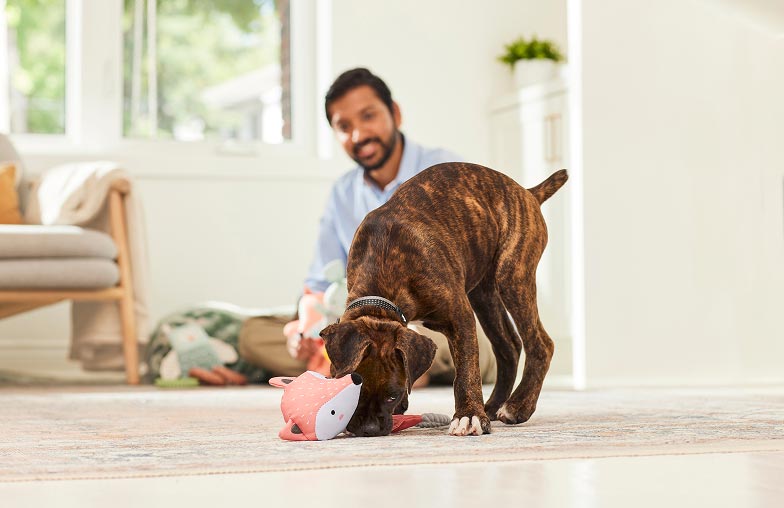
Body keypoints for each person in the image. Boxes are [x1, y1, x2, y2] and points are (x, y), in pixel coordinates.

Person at [239, 68, 496, 385]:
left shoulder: (445, 172)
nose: (358, 135)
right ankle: (387, 365)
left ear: (395, 113)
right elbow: (319, 283)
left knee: (466, 344)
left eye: (368, 116)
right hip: (361, 324)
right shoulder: (342, 194)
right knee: (253, 333)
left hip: (436, 321)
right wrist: (305, 327)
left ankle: (394, 361)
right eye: (344, 127)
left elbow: (480, 273)